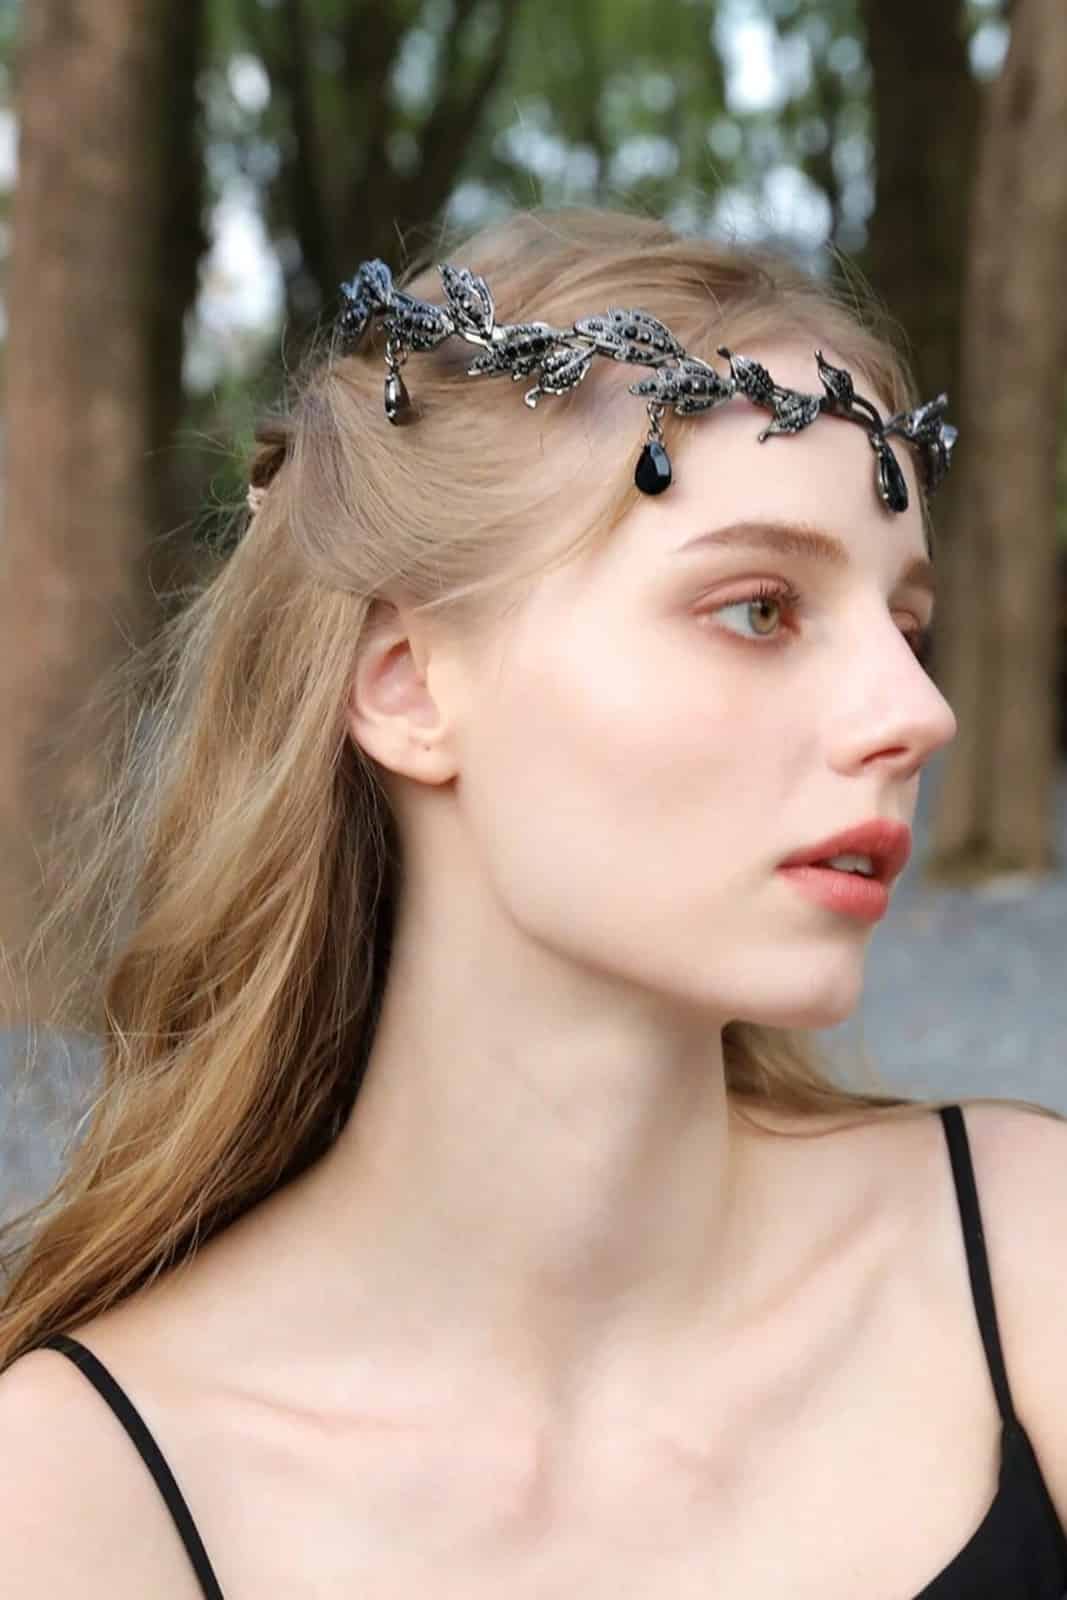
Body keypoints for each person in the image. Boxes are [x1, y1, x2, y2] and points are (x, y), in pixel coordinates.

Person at [2, 206, 1066, 1597]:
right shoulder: (78, 1497)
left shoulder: (1030, 1257)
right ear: (407, 685)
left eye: (906, 626)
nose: (917, 713)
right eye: (760, 609)